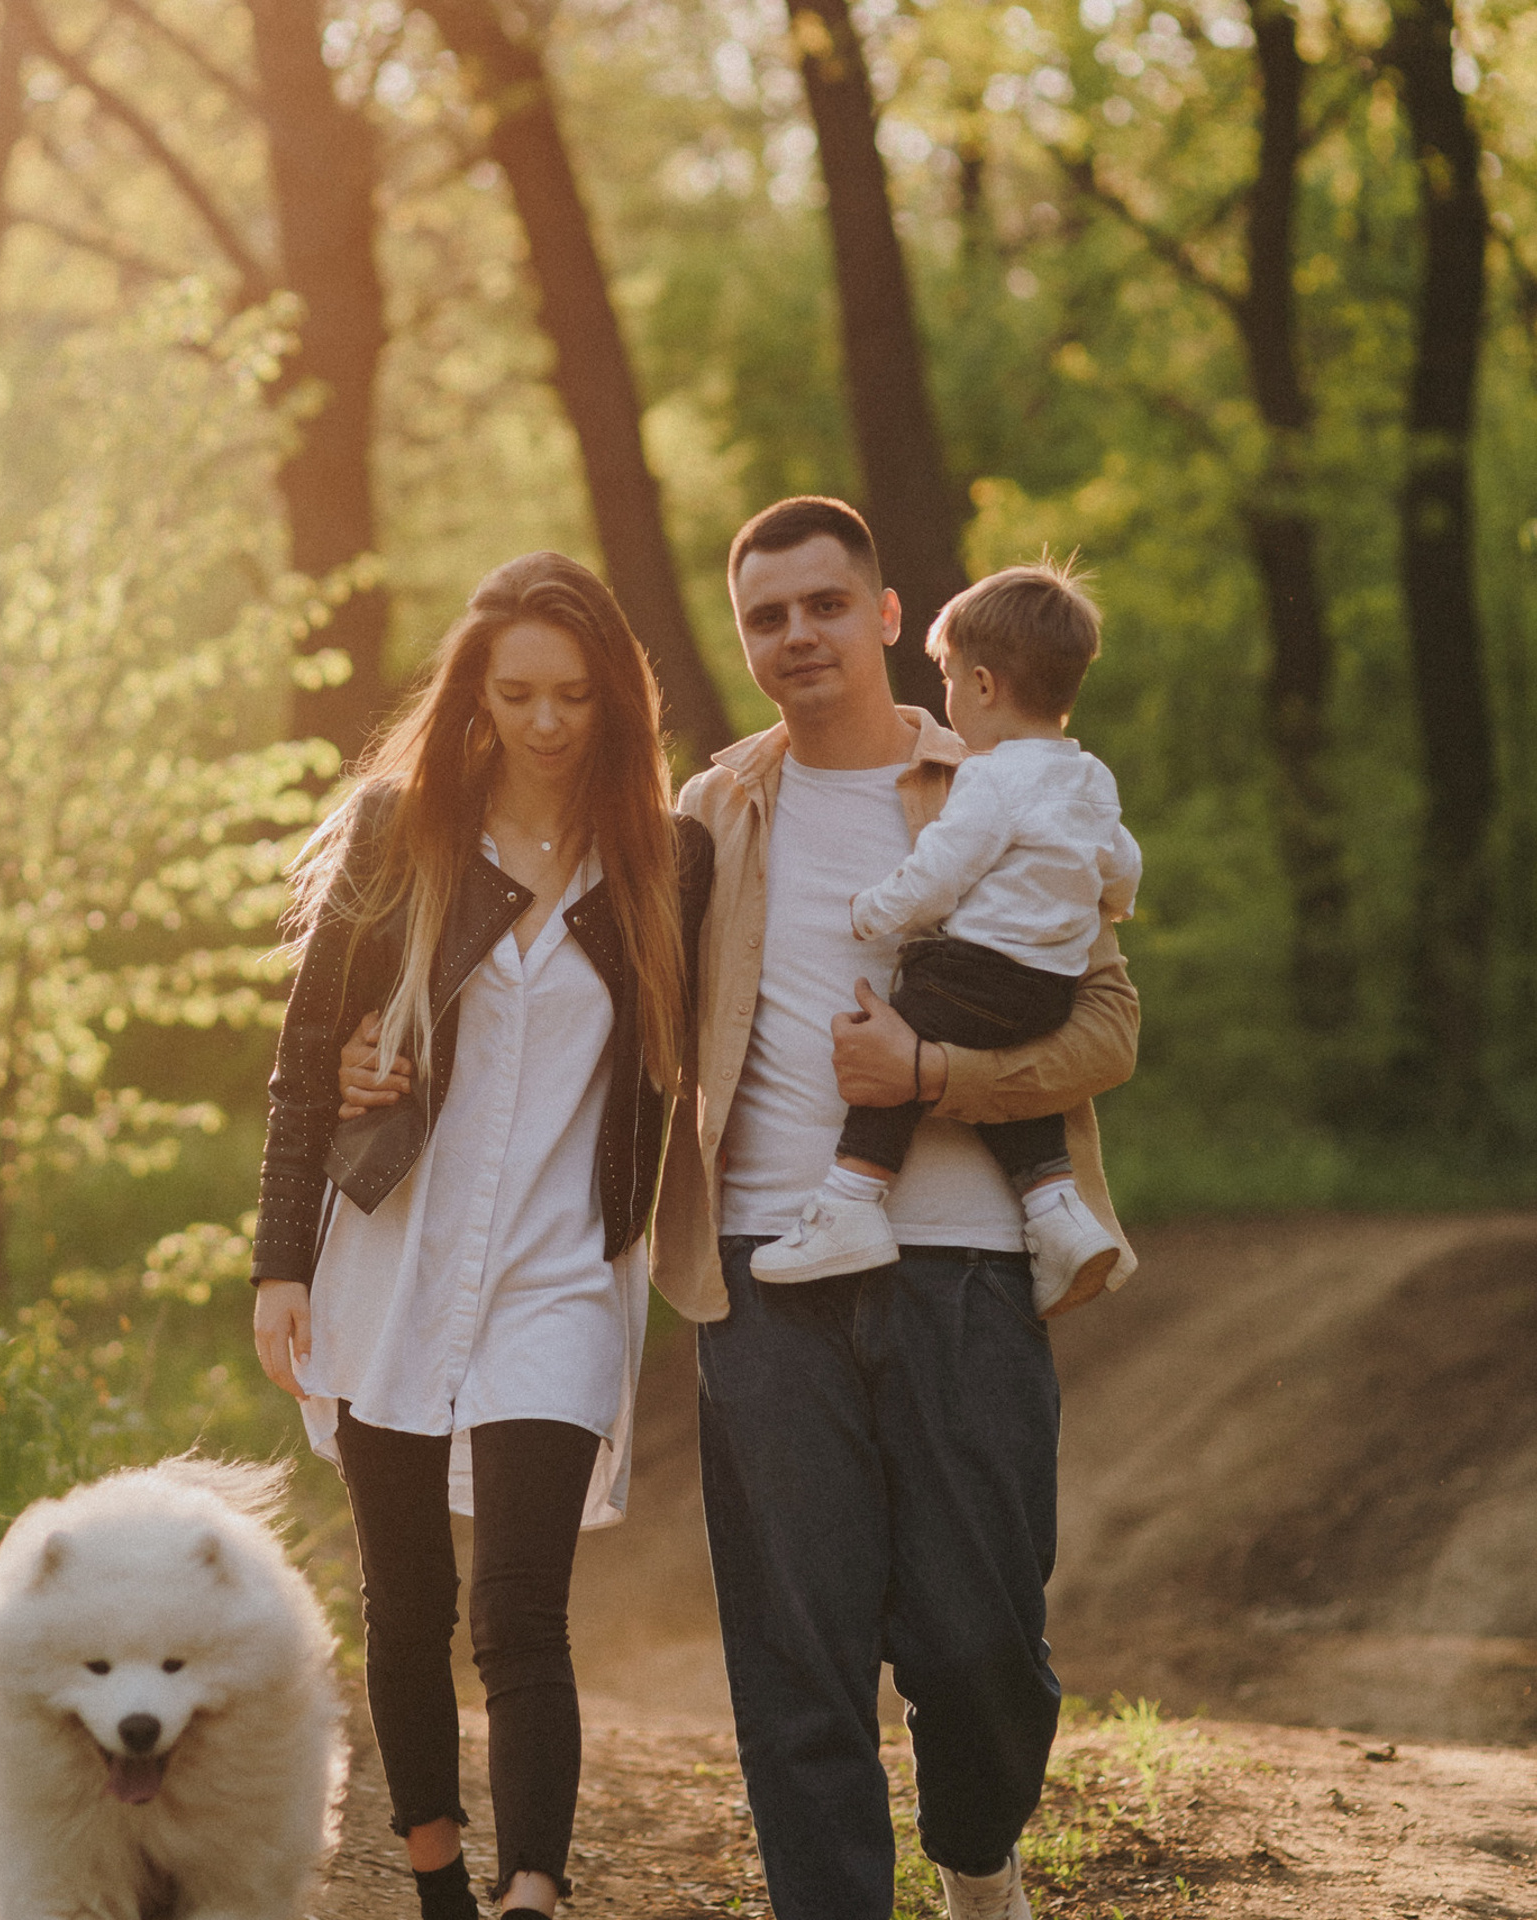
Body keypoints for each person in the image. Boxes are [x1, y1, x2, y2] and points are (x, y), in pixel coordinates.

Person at [648, 498, 1140, 1920]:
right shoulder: (713, 812)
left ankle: (977, 1865)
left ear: (882, 614)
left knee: (982, 1641)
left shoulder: (1010, 777)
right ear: (746, 643)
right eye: (764, 617)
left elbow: (1105, 1031)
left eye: (820, 604)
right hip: (764, 1267)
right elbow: (604, 1005)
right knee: (797, 1657)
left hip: (971, 1262)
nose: (794, 633)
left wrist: (933, 1070)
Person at [249, 552, 712, 1920]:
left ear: (617, 699)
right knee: (404, 1605)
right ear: (478, 695)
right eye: (518, 693)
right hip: (391, 1262)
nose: (548, 722)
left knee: (520, 1611)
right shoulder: (404, 835)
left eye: (575, 695)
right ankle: (441, 1881)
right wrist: (282, 1259)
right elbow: (304, 1060)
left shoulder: (665, 859)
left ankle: (533, 1895)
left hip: (563, 1275)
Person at [748, 560, 1141, 1309]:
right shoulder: (1090, 777)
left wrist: (875, 909)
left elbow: (940, 871)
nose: (949, 696)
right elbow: (1122, 861)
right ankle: (1058, 1215)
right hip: (1047, 989)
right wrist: (1112, 903)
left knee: (889, 1038)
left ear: (986, 687)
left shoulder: (988, 778)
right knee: (995, 1069)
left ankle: (851, 1201)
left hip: (979, 970)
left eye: (952, 679)